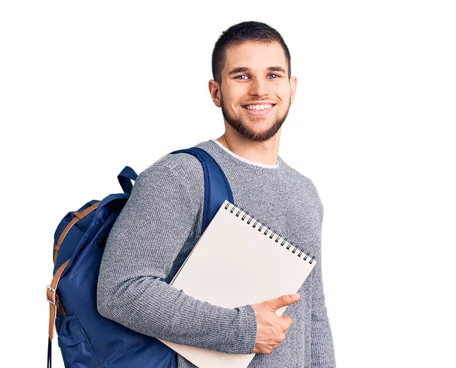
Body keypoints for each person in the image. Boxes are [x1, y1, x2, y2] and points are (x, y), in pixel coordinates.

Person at [97, 21, 336, 367]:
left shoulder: (305, 191)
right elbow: (121, 291)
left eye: (273, 75)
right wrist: (243, 329)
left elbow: (313, 316)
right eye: (241, 76)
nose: (259, 90)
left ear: (292, 87)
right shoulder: (179, 175)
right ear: (216, 91)